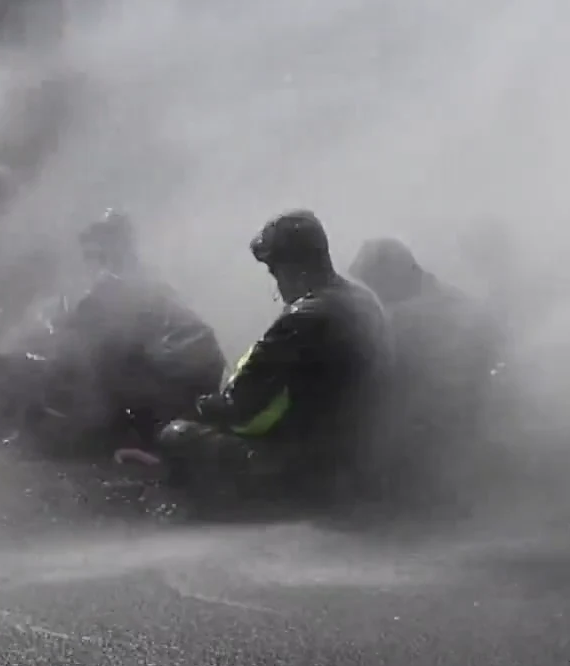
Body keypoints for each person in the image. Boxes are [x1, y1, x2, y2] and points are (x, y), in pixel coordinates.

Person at [150, 210, 392, 510]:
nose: (276, 282)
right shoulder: (363, 300)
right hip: (364, 455)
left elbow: (239, 407)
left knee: (176, 435)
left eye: (274, 270)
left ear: (292, 266)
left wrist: (194, 407)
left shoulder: (301, 319)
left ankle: (195, 513)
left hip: (311, 468)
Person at [0, 212, 224, 454]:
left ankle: (120, 433)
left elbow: (74, 339)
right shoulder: (150, 279)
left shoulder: (117, 286)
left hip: (173, 390)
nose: (89, 259)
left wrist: (36, 341)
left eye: (95, 251)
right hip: (198, 386)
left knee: (76, 363)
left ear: (111, 249)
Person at [347, 237, 506, 481]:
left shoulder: (408, 318)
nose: (371, 294)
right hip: (465, 427)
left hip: (443, 438)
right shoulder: (447, 299)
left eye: (372, 285)